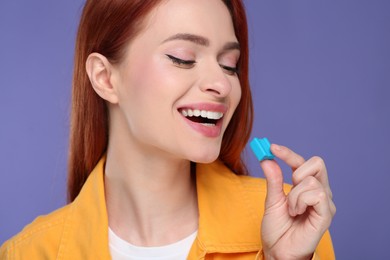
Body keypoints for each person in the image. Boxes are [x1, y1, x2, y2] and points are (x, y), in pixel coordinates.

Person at [0, 0, 336, 259]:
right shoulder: (27, 253)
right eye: (182, 58)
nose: (221, 83)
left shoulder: (294, 220)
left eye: (229, 64)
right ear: (105, 78)